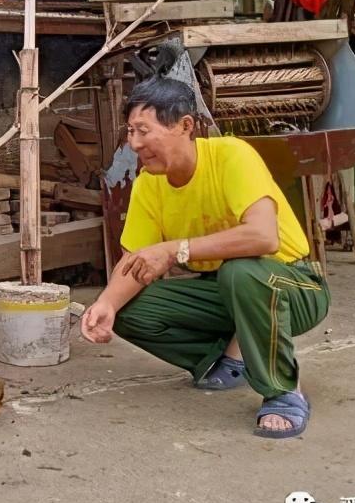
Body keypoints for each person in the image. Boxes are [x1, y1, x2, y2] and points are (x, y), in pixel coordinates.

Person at [81, 77, 329, 438]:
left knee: (240, 273)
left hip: (293, 283)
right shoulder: (150, 183)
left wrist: (175, 249)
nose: (134, 143)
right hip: (228, 290)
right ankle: (237, 356)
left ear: (185, 126)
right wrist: (105, 304)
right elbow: (135, 261)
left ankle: (282, 390)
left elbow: (263, 236)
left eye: (144, 131)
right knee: (129, 309)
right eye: (131, 131)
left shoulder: (232, 154)